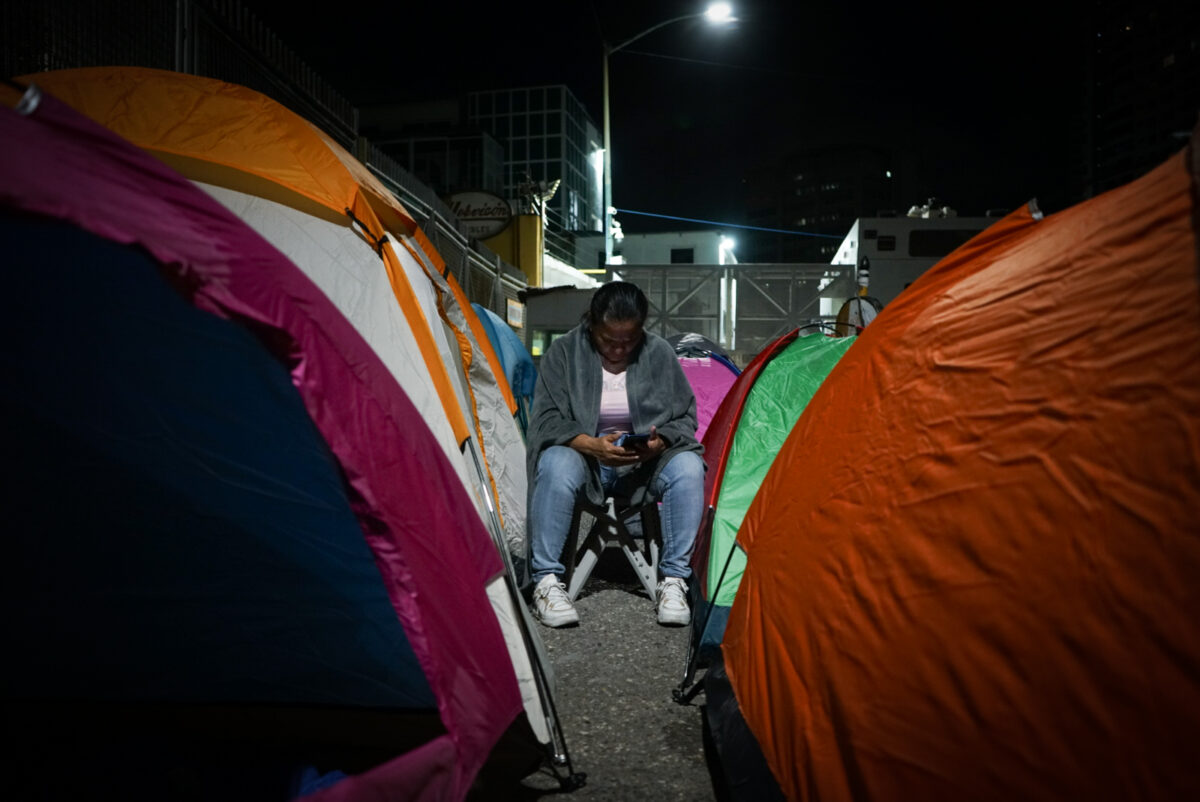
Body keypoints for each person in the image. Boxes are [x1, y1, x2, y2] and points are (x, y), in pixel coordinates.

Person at [526, 281, 704, 627]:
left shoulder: (659, 354)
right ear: (591, 324)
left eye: (629, 342)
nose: (619, 350)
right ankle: (546, 581)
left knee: (689, 466)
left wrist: (658, 444)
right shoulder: (563, 353)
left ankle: (674, 580)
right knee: (554, 461)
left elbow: (685, 417)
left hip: (643, 465)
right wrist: (590, 444)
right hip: (586, 461)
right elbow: (545, 421)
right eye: (609, 341)